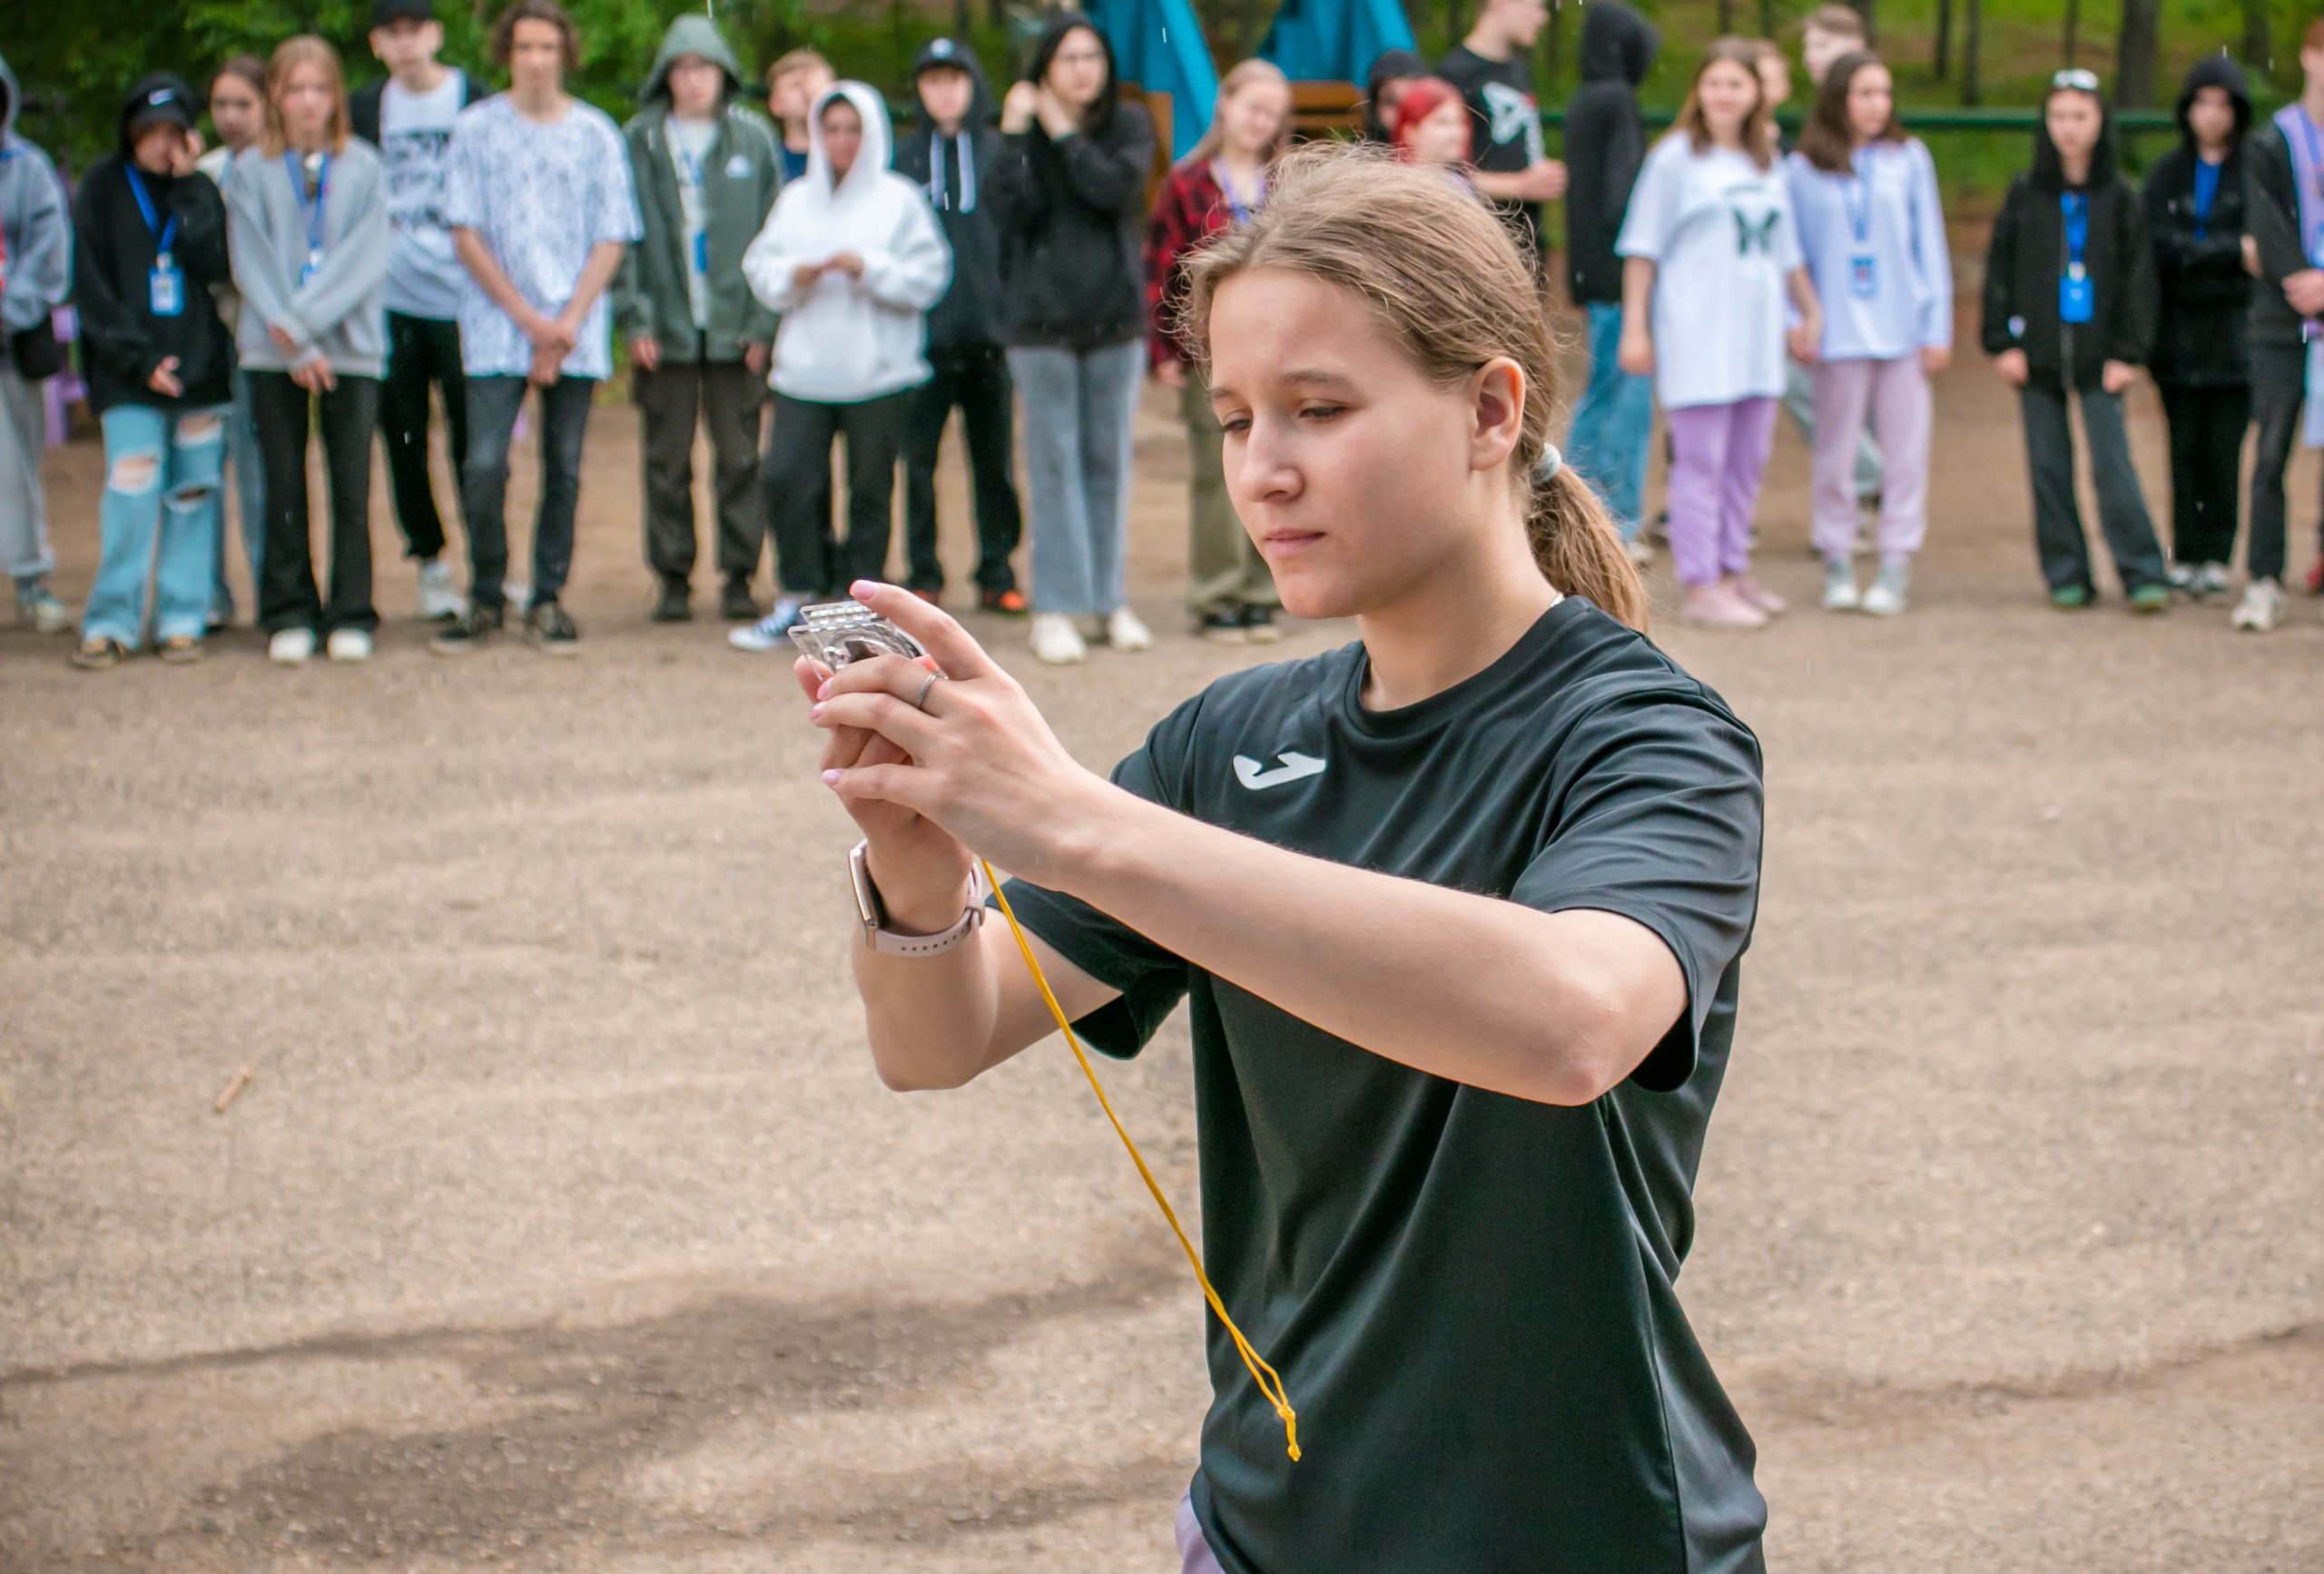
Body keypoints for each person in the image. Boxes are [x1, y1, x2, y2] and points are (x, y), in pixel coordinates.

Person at [796, 143, 1767, 1574]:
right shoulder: (1229, 741)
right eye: (1237, 418)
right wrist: (923, 871)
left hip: (1575, 1532)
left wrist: (1074, 821)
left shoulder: (1650, 737)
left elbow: (1572, 1021)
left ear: (1490, 408)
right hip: (1262, 1531)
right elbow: (936, 1041)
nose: (1265, 470)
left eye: (1320, 409)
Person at [431, 0, 639, 656]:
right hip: (497, 323)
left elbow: (612, 234)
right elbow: (465, 231)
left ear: (565, 53)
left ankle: (547, 598)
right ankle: (486, 594)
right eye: (524, 47)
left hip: (575, 325)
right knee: (484, 466)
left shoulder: (596, 133)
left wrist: (565, 323)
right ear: (507, 53)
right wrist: (528, 321)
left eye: (548, 47)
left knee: (564, 468)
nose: (536, 60)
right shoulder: (476, 130)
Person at [731, 84, 949, 651]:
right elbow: (761, 267)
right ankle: (797, 593)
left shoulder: (899, 199)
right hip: (804, 371)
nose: (842, 141)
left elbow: (930, 277)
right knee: (787, 479)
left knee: (870, 490)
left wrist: (867, 268)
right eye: (832, 129)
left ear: (872, 132)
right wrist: (794, 275)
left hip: (879, 373)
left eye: (853, 129)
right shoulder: (797, 198)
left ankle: (862, 610)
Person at [1619, 38, 1821, 630]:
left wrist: (1809, 310)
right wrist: (1635, 327)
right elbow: (1642, 249)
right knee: (1701, 463)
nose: (1724, 95)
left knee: (1746, 462)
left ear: (1756, 92)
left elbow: (1787, 253)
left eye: (1736, 84)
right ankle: (1702, 582)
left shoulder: (1766, 161)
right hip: (1699, 336)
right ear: (1699, 90)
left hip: (1756, 339)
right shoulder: (1675, 159)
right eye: (1714, 83)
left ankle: (1733, 570)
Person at [986, 13, 1157, 665]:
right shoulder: (1022, 134)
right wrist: (1015, 133)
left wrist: (1062, 130)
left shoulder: (1129, 125)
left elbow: (1111, 190)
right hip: (1041, 327)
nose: (1084, 70)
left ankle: (1108, 601)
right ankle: (1054, 607)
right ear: (1044, 69)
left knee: (1108, 463)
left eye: (1093, 57)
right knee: (1053, 467)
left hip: (1114, 321)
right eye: (1069, 59)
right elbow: (1008, 210)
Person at [613, 13, 781, 626]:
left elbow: (777, 236)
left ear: (724, 73)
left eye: (704, 66)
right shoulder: (640, 140)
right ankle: (673, 576)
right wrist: (635, 319)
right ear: (666, 75)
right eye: (681, 67)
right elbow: (622, 236)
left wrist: (763, 323)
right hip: (667, 329)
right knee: (666, 460)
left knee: (740, 458)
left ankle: (739, 575)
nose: (693, 79)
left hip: (736, 330)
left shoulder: (752, 139)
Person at [1981, 71, 2171, 613]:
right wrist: (2003, 342)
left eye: (2080, 116)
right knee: (2047, 466)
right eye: (2059, 116)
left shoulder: (2121, 197)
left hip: (2100, 358)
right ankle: (2066, 571)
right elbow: (2000, 270)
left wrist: (2128, 352)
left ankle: (2142, 571)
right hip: (2037, 356)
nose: (2069, 128)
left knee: (2113, 467)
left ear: (2100, 122)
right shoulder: (2025, 194)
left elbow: (2140, 279)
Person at [227, 37, 390, 666]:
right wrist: (293, 339)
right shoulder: (249, 171)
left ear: (336, 96)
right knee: (283, 483)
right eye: (295, 88)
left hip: (350, 348)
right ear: (275, 95)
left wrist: (307, 326)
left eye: (319, 88)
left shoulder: (366, 167)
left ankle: (350, 611)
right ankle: (289, 610)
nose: (307, 101)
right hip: (273, 352)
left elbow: (363, 259)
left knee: (351, 483)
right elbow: (252, 262)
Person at [70, 76, 236, 670]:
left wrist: (188, 187)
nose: (162, 144)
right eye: (151, 132)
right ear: (129, 132)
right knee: (132, 489)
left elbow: (216, 265)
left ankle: (183, 616)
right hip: (129, 374)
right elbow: (90, 285)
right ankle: (112, 620)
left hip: (199, 373)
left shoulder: (201, 190)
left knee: (193, 493)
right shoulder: (102, 186)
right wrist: (139, 362)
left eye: (174, 132)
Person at [1787, 52, 1951, 616]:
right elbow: (1792, 254)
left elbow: (1929, 246)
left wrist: (1936, 329)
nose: (1878, 105)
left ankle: (1894, 565)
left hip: (1904, 332)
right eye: (1865, 93)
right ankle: (1837, 560)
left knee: (1906, 456)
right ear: (1838, 97)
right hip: (1836, 336)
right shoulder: (1803, 169)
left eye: (1885, 93)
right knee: (1835, 456)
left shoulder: (1910, 158)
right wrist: (1795, 321)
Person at [1147, 58, 1291, 644]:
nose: (1261, 122)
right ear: (1224, 105)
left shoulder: (1285, 185)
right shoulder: (1187, 184)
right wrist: (1164, 348)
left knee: (1278, 464)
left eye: (1273, 114)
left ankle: (1262, 592)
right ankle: (1216, 594)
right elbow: (1164, 272)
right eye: (1253, 107)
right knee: (1219, 474)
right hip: (1210, 353)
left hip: (1282, 349)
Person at [352, 0, 479, 625]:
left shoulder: (474, 99)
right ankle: (429, 561)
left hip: (465, 298)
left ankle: (487, 564)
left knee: (474, 440)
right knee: (403, 436)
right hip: (390, 299)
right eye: (391, 34)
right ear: (377, 43)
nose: (405, 44)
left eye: (414, 31)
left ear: (435, 34)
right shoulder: (363, 107)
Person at [892, 37, 1027, 615]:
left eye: (955, 78)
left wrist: (1011, 314)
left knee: (993, 463)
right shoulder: (901, 160)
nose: (944, 91)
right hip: (921, 342)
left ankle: (997, 572)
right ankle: (923, 573)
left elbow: (1020, 240)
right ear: (919, 90)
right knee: (918, 463)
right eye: (932, 80)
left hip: (990, 340)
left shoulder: (1000, 155)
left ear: (973, 85)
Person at [2143, 57, 2250, 607]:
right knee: (2182, 447)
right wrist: (2227, 254)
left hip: (2236, 337)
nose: (2212, 115)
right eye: (2202, 103)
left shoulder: (2254, 173)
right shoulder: (2167, 173)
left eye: (2223, 104)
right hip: (2177, 335)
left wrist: (2199, 255)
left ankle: (2217, 555)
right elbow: (2158, 245)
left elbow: (2260, 249)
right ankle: (2183, 553)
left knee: (2224, 451)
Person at [1560, 1, 1659, 559]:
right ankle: (1616, 521)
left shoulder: (1583, 99)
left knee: (1600, 393)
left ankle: (1572, 511)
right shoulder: (1618, 100)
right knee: (1626, 399)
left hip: (1592, 270)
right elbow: (1624, 194)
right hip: (1622, 276)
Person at [2235, 18, 2324, 630]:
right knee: (2271, 453)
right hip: (2282, 318)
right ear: (2309, 58)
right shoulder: (2273, 140)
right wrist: (2301, 279)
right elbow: (2263, 221)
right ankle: (2264, 578)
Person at [1782, 7, 1883, 529]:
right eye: (1808, 48)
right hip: (1818, 293)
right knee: (1809, 384)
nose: (1811, 58)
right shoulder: (1811, 130)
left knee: (1865, 398)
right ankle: (1865, 486)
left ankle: (1865, 495)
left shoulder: (1883, 135)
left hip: (1869, 294)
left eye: (1823, 46)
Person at [0, 52, 74, 635]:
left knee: (14, 469)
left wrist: (8, 311)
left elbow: (49, 254)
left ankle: (28, 580)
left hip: (9, 343)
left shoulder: (27, 167)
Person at [196, 57, 269, 630]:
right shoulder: (203, 172)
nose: (231, 116)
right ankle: (210, 596)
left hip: (263, 339)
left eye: (243, 104)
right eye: (221, 104)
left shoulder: (284, 168)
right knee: (204, 471)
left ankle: (273, 593)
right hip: (208, 338)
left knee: (259, 473)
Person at [1436, 0, 1566, 278]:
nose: (1542, 18)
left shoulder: (1518, 68)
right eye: (1535, 6)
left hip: (1527, 242)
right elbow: (1443, 173)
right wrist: (1519, 185)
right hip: (1481, 247)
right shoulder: (1455, 73)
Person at [765, 49, 835, 186]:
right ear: (775, 104)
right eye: (796, 85)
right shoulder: (769, 163)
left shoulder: (848, 161)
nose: (807, 92)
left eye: (814, 85)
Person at [1360, 48, 1429, 143]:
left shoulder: (1444, 149)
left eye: (1412, 101)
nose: (1402, 110)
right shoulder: (1365, 152)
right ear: (1374, 106)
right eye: (1391, 101)